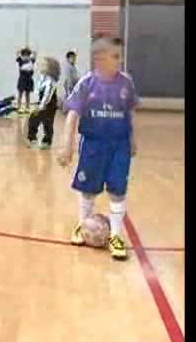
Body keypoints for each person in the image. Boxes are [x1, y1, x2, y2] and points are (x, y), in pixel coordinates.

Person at [57, 38, 139, 260]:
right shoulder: (86, 83)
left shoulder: (126, 84)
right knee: (88, 189)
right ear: (98, 59)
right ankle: (83, 224)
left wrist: (133, 138)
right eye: (111, 56)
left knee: (117, 189)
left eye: (118, 56)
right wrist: (67, 145)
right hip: (93, 145)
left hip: (119, 145)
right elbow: (72, 114)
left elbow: (130, 111)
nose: (116, 61)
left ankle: (115, 235)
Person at [27, 56, 60, 149]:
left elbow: (47, 96)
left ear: (50, 68)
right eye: (41, 64)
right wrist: (34, 104)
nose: (41, 66)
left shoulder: (51, 81)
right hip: (42, 103)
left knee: (47, 123)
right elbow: (37, 92)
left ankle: (47, 141)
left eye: (44, 65)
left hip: (50, 105)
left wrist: (41, 106)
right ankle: (32, 139)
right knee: (33, 119)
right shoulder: (41, 78)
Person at [16, 47, 37, 114]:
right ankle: (19, 108)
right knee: (20, 94)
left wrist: (31, 51)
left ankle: (27, 108)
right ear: (22, 55)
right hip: (22, 79)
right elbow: (17, 53)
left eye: (27, 55)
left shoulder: (31, 61)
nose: (26, 56)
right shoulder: (20, 61)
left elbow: (35, 54)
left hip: (29, 80)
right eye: (24, 55)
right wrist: (22, 49)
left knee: (27, 95)